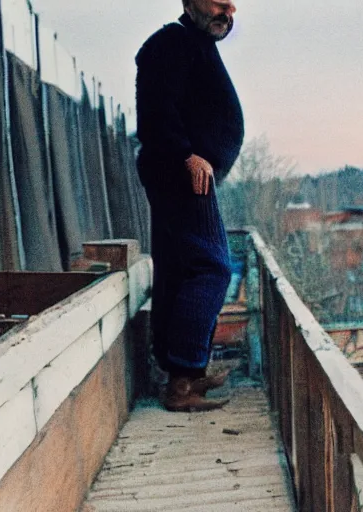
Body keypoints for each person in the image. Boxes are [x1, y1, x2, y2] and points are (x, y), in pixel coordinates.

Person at [135, 0, 244, 411]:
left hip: (189, 173)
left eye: (232, 5)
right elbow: (156, 112)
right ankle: (181, 380)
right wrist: (188, 155)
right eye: (218, 1)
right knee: (212, 267)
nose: (227, 10)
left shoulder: (194, 44)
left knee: (181, 269)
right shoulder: (170, 43)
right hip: (182, 173)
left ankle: (185, 374)